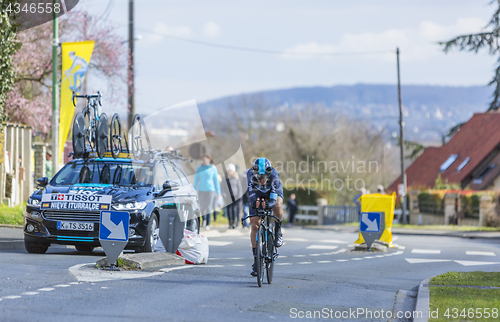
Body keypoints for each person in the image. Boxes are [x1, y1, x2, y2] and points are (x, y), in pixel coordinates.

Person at [247, 157, 284, 277]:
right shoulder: (250, 175)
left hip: (271, 193)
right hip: (257, 193)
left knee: (277, 205)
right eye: (259, 177)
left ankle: (278, 230)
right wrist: (255, 203)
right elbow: (251, 195)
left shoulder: (274, 176)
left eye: (264, 177)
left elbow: (274, 200)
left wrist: (269, 204)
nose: (262, 180)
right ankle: (256, 261)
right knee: (254, 224)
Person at [193, 154, 221, 230]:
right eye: (203, 159)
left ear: (209, 159)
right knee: (202, 207)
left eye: (206, 159)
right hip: (201, 190)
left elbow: (216, 180)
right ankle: (204, 219)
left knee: (209, 207)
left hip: (210, 190)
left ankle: (208, 223)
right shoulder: (200, 168)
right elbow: (196, 180)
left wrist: (218, 192)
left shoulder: (213, 168)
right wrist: (193, 190)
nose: (204, 160)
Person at [222, 163, 243, 229]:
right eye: (229, 170)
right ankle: (230, 223)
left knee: (235, 210)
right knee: (229, 210)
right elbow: (222, 187)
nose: (230, 172)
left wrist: (240, 196)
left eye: (231, 170)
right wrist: (223, 194)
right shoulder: (225, 178)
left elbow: (239, 187)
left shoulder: (236, 178)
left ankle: (235, 223)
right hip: (228, 197)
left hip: (235, 196)